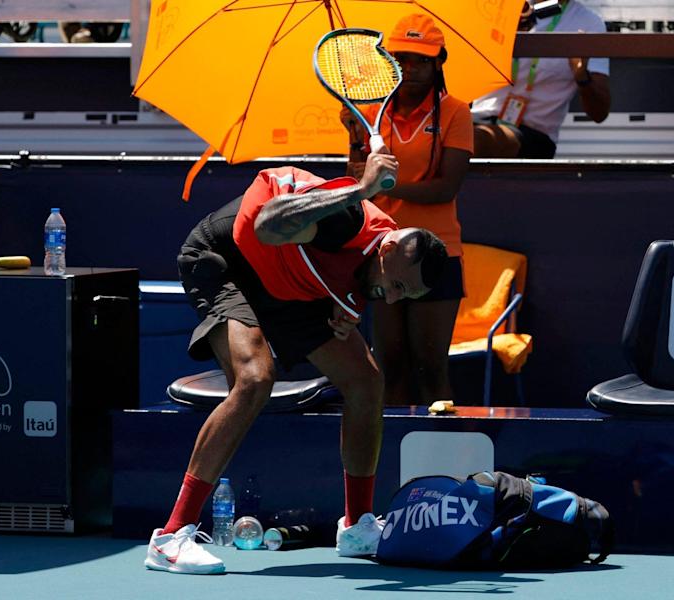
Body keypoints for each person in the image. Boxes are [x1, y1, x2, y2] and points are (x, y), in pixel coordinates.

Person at [143, 154, 448, 575]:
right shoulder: (345, 218)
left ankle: (357, 527)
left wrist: (344, 306)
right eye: (395, 286)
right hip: (227, 261)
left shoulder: (380, 260)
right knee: (253, 380)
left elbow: (342, 278)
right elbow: (268, 226)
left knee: (365, 381)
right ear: (391, 248)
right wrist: (362, 189)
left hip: (285, 283)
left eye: (404, 296)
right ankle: (171, 535)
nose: (392, 299)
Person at [342, 14, 473, 406]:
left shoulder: (456, 112)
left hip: (437, 254)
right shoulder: (367, 113)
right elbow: (354, 190)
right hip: (382, 252)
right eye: (402, 59)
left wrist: (384, 184)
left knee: (430, 368)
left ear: (439, 63)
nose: (412, 68)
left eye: (422, 60)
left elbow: (446, 188)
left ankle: (445, 462)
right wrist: (353, 141)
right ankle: (389, 461)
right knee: (390, 366)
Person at [471, 0, 611, 158]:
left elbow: (599, 113)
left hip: (533, 134)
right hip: (477, 119)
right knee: (445, 134)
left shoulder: (588, 22)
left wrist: (581, 76)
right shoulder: (498, 8)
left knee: (472, 141)